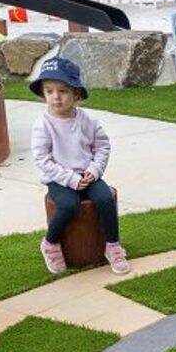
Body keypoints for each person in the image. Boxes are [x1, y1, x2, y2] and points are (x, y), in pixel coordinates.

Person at [29, 56, 130, 276]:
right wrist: (71, 179)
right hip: (60, 178)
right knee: (68, 205)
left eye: (63, 91)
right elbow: (42, 159)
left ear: (76, 94)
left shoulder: (88, 121)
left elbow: (102, 147)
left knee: (105, 198)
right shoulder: (43, 125)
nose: (56, 97)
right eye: (49, 91)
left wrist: (93, 172)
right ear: (43, 94)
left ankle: (112, 245)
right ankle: (50, 243)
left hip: (88, 174)